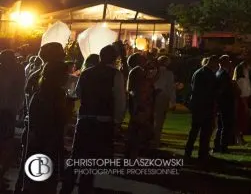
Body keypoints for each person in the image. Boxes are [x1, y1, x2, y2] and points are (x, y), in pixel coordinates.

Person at [65, 45, 126, 194]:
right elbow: (120, 99)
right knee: (91, 159)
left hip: (85, 118)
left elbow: (78, 93)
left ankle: (67, 187)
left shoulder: (86, 73)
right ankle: (85, 188)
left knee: (77, 156)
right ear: (114, 58)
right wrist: (118, 121)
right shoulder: (115, 75)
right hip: (102, 120)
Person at [24, 60, 72, 193]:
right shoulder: (58, 96)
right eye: (65, 74)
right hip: (49, 143)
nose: (67, 77)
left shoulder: (39, 94)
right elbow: (60, 120)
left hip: (38, 143)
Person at [184, 55, 219, 163]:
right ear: (212, 62)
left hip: (198, 105)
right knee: (205, 131)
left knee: (195, 130)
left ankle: (189, 151)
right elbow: (211, 90)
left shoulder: (199, 72)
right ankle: (202, 153)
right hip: (205, 106)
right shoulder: (208, 74)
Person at [0, 50, 25, 185]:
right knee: (6, 143)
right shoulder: (17, 70)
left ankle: (2, 172)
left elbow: (19, 90)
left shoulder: (17, 70)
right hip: (8, 111)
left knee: (6, 143)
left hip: (8, 111)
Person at [125, 53, 157, 159]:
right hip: (140, 106)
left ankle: (132, 154)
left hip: (139, 105)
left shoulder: (137, 71)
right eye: (142, 58)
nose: (145, 59)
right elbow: (139, 89)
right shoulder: (137, 71)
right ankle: (132, 155)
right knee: (137, 131)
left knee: (137, 130)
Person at [151, 55, 176, 149]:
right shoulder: (169, 73)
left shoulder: (153, 72)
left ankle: (150, 140)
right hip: (162, 98)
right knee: (159, 121)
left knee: (151, 120)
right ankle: (156, 142)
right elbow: (170, 89)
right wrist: (173, 102)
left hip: (152, 97)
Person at [213, 55, 236, 153]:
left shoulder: (218, 73)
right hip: (226, 103)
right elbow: (225, 90)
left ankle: (217, 145)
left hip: (221, 103)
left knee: (221, 126)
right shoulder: (224, 75)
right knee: (225, 126)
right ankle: (223, 146)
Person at [233, 61, 251, 146]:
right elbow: (242, 95)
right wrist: (246, 105)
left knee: (241, 121)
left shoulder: (242, 80)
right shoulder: (242, 80)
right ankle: (239, 139)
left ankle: (239, 138)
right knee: (241, 121)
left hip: (242, 101)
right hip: (241, 102)